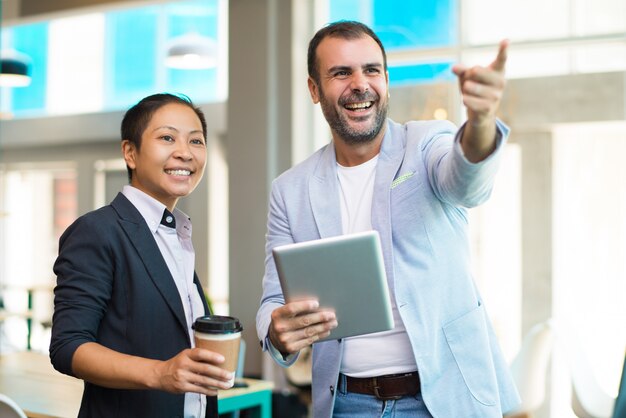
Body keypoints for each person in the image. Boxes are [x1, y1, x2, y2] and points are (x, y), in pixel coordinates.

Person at [256, 21, 520, 418]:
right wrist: (276, 331)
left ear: (387, 81)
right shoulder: (290, 190)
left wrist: (481, 120)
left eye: (371, 70)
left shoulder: (427, 142)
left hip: (446, 398)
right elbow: (273, 301)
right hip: (347, 404)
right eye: (341, 73)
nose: (360, 84)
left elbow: (467, 183)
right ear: (314, 90)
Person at [50, 93, 232, 418]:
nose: (184, 152)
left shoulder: (176, 234)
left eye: (196, 141)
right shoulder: (98, 230)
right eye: (166, 138)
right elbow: (68, 347)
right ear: (130, 153)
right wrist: (160, 373)